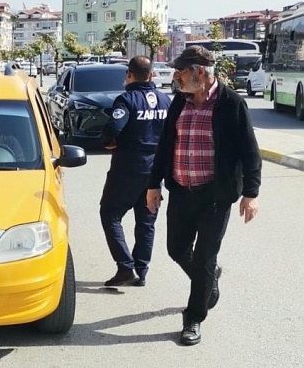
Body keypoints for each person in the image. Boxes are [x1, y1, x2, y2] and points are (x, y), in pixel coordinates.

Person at [146, 45, 262, 346]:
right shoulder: (179, 103)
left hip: (215, 196)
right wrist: (153, 184)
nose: (175, 77)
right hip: (182, 192)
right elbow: (165, 146)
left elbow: (251, 153)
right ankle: (208, 278)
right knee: (176, 249)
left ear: (200, 72)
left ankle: (194, 318)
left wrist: (251, 193)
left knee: (205, 257)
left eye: (181, 71)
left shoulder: (231, 104)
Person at [99, 56, 171, 287]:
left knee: (110, 214)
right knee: (146, 221)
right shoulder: (165, 100)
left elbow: (113, 127)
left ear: (129, 75)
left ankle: (125, 266)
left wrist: (108, 141)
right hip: (155, 170)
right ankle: (142, 269)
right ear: (152, 75)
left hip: (128, 167)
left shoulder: (126, 99)